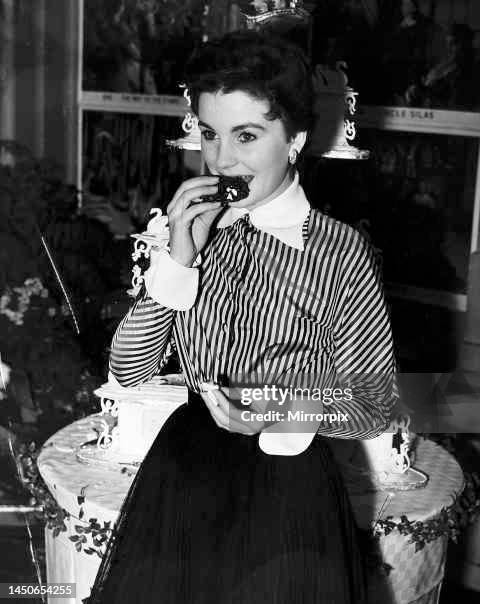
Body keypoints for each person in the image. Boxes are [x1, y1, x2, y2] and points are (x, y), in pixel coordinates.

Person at [87, 30, 397, 603]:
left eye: (246, 136)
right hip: (185, 474)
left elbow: (374, 406)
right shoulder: (190, 232)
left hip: (288, 488)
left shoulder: (339, 250)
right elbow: (129, 372)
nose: (221, 159)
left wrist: (272, 409)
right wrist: (178, 258)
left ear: (297, 139)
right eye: (209, 133)